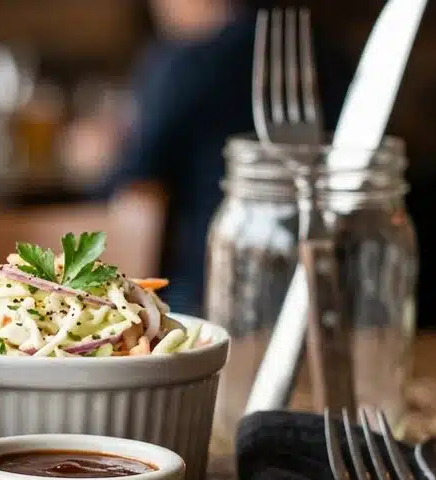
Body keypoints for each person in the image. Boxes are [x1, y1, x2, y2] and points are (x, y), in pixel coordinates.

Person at [98, 0, 346, 315]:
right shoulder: (321, 51)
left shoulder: (184, 62)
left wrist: (96, 158)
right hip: (330, 285)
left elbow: (129, 177)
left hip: (208, 286)